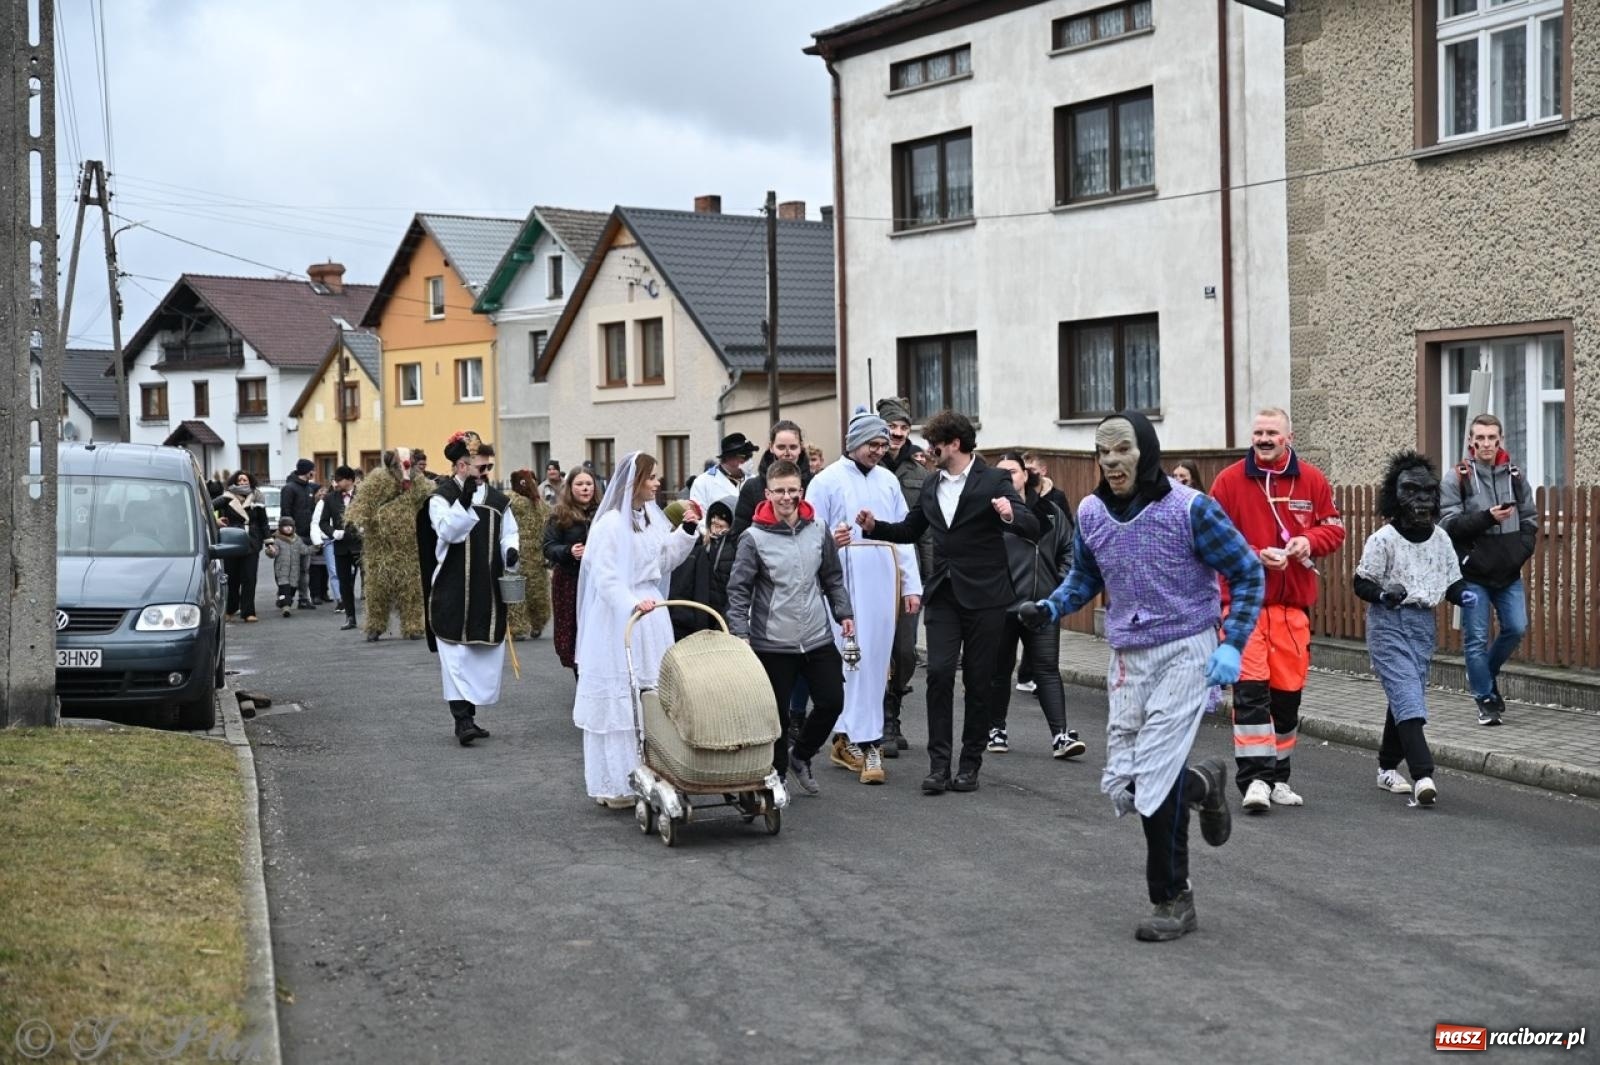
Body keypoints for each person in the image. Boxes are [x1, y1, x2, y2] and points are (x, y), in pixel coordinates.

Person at [1027, 410, 1260, 942]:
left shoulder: (1191, 510)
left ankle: (1173, 898)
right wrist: (1048, 607)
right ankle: (1203, 783)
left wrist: (1233, 644)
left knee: (1153, 773)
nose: (1111, 461)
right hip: (1129, 654)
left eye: (1123, 449)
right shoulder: (1090, 512)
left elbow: (1245, 571)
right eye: (1102, 452)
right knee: (1132, 781)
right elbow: (1087, 575)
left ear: (1147, 450)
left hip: (1187, 647)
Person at [856, 410, 1036, 795]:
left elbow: (1032, 525)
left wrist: (1009, 514)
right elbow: (910, 529)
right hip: (943, 595)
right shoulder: (932, 483)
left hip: (986, 596)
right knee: (938, 674)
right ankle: (939, 766)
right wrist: (875, 528)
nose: (928, 449)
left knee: (977, 680)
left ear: (954, 443)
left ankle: (969, 764)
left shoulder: (994, 480)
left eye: (934, 442)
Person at [1209, 408, 1345, 812]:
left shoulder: (1312, 479)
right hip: (1244, 608)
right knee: (1250, 696)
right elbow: (1211, 540)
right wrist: (1254, 556)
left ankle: (1278, 779)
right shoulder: (1229, 482)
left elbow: (1334, 528)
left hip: (1292, 611)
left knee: (1287, 701)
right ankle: (1253, 783)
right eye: (1258, 432)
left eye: (1272, 432)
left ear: (1290, 436)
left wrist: (1309, 541)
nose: (1264, 438)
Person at [571, 452, 703, 807]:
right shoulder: (610, 525)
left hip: (651, 615)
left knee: (650, 695)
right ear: (635, 481)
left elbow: (662, 560)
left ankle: (650, 770)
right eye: (653, 477)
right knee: (619, 698)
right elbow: (604, 575)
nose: (658, 483)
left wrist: (687, 531)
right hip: (620, 617)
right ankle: (615, 783)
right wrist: (631, 603)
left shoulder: (649, 519)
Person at [809, 407, 924, 786]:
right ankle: (849, 735)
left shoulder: (889, 481)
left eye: (882, 444)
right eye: (873, 444)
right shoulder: (825, 481)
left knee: (876, 658)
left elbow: (903, 534)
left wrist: (911, 585)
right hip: (842, 577)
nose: (880, 450)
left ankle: (865, 735)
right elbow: (808, 535)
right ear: (855, 442)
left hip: (880, 573)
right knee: (848, 657)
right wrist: (831, 540)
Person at [725, 460, 855, 795]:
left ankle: (802, 756)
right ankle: (778, 776)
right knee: (778, 718)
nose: (787, 497)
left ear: (801, 491)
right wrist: (740, 633)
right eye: (780, 491)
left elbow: (832, 578)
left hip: (816, 635)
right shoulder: (753, 538)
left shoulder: (818, 528)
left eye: (793, 490)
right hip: (772, 641)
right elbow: (738, 590)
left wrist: (844, 613)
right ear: (767, 493)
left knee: (832, 702)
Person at [1355, 451, 1475, 806]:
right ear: (1395, 495)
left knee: (1405, 697)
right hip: (1389, 624)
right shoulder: (1383, 540)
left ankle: (1386, 768)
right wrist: (1382, 593)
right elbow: (1360, 582)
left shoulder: (1440, 539)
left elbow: (1451, 582)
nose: (1421, 499)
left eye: (1428, 491)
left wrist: (1463, 594)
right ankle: (1423, 774)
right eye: (1411, 490)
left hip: (1423, 626)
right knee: (1407, 693)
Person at [417, 433, 519, 746]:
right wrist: (463, 502)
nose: (486, 472)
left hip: (486, 589)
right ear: (462, 466)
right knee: (455, 657)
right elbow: (447, 531)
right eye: (480, 466)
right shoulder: (441, 498)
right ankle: (463, 721)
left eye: (489, 466)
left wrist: (511, 553)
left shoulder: (499, 502)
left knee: (479, 654)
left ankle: (471, 715)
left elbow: (508, 534)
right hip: (451, 587)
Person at [1440, 413, 1537, 726]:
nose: (1486, 444)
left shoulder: (1516, 476)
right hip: (1474, 575)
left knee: (1517, 627)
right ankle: (1485, 699)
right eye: (1479, 438)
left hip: (1508, 572)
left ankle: (1483, 673)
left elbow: (1530, 520)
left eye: (1492, 438)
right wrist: (1486, 518)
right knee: (1476, 639)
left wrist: (1520, 552)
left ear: (1501, 440)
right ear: (1470, 441)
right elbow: (1448, 525)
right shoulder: (1457, 477)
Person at [986, 451, 1083, 759]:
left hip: (1042, 606)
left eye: (1012, 471)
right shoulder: (986, 514)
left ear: (1025, 475)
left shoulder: (1050, 511)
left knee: (1046, 670)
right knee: (998, 671)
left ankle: (1061, 737)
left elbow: (1070, 549)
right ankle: (996, 729)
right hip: (1001, 607)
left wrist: (1059, 588)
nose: (1007, 477)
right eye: (999, 473)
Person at [876, 397, 931, 756]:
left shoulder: (919, 474)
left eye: (903, 428)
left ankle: (894, 708)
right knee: (875, 650)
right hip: (872, 572)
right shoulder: (864, 466)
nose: (897, 434)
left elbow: (926, 532)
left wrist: (926, 578)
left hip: (907, 575)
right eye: (891, 427)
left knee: (905, 652)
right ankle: (882, 719)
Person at [346, 448, 434, 642]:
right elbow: (361, 505)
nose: (405, 469)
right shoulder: (377, 480)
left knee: (411, 590)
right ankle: (375, 626)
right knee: (378, 590)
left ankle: (413, 626)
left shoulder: (418, 482)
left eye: (408, 464)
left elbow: (434, 494)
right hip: (380, 549)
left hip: (408, 548)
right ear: (390, 465)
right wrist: (359, 521)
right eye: (400, 465)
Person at [544, 466, 597, 677]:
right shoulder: (560, 513)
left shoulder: (603, 511)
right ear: (570, 487)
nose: (585, 489)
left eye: (588, 484)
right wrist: (568, 550)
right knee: (573, 630)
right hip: (569, 580)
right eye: (580, 484)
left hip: (596, 580)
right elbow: (548, 546)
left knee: (595, 629)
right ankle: (580, 675)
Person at [667, 500, 735, 640]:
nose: (716, 521)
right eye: (714, 517)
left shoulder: (737, 552)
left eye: (722, 518)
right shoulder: (699, 550)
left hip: (720, 623)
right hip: (697, 622)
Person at [730, 421, 811, 539]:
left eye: (793, 447)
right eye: (781, 447)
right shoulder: (753, 487)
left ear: (801, 447)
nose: (787, 453)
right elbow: (739, 535)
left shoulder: (815, 483)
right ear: (771, 447)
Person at [506, 469, 554, 640]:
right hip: (515, 555)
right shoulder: (511, 501)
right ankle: (517, 627)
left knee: (538, 595)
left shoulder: (539, 504)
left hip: (536, 557)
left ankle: (537, 623)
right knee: (516, 594)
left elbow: (550, 519)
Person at [314, 466, 363, 630]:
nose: (336, 483)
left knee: (369, 583)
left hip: (361, 546)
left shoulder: (363, 495)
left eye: (339, 480)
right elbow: (322, 522)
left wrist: (365, 528)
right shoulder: (330, 498)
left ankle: (373, 619)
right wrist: (333, 532)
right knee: (344, 583)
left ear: (350, 480)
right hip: (341, 547)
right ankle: (350, 617)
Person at [690, 432, 758, 514]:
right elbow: (698, 517)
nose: (748, 461)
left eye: (750, 457)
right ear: (728, 458)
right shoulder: (703, 482)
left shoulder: (755, 481)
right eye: (744, 457)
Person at [281, 459, 318, 608]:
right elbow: (285, 512)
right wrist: (288, 533)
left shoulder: (309, 489)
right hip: (294, 536)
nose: (314, 472)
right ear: (307, 471)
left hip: (307, 535)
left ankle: (303, 599)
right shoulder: (289, 488)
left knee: (304, 569)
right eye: (313, 470)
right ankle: (285, 598)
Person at [267, 515, 310, 617]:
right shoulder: (277, 540)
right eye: (285, 526)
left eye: (290, 526)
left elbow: (304, 550)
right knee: (284, 589)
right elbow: (273, 552)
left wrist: (315, 548)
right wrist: (270, 551)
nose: (288, 528)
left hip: (294, 572)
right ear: (281, 528)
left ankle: (283, 601)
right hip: (282, 571)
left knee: (291, 591)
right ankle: (286, 607)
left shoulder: (297, 539)